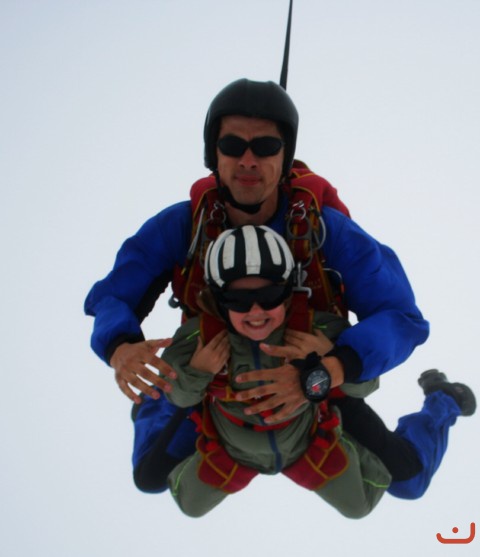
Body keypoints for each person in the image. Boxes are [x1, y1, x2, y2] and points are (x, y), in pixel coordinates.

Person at [84, 78, 430, 491]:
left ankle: (443, 399)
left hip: (314, 374)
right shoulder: (183, 226)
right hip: (218, 377)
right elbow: (113, 293)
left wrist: (329, 370)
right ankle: (154, 405)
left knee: (408, 479)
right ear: (213, 154)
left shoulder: (325, 231)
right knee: (150, 476)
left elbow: (401, 316)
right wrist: (119, 346)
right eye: (232, 145)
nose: (248, 160)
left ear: (285, 157)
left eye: (266, 147)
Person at [163, 224, 392, 518]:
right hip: (232, 449)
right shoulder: (202, 337)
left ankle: (350, 437)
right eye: (238, 300)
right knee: (189, 505)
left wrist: (332, 361)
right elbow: (176, 396)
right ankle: (149, 422)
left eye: (270, 295)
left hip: (304, 442)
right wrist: (197, 371)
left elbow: (367, 385)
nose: (256, 312)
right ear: (219, 299)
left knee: (359, 505)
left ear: (286, 293)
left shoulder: (314, 328)